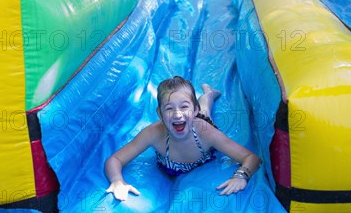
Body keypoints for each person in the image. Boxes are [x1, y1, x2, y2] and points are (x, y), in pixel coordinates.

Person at [104, 76, 263, 201]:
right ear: (160, 114)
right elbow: (115, 159)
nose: (177, 114)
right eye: (169, 108)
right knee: (199, 111)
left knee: (205, 111)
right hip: (185, 134)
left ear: (193, 110)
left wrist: (241, 176)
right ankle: (202, 97)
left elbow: (251, 158)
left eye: (184, 106)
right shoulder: (153, 134)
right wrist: (117, 181)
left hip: (199, 127)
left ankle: (209, 93)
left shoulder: (206, 133)